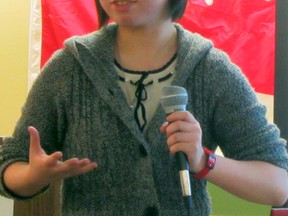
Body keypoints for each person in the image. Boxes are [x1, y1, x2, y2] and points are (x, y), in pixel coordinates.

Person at [0, 0, 287, 215]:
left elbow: (278, 183)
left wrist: (203, 160)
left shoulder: (212, 71)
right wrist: (31, 177)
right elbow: (10, 163)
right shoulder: (68, 67)